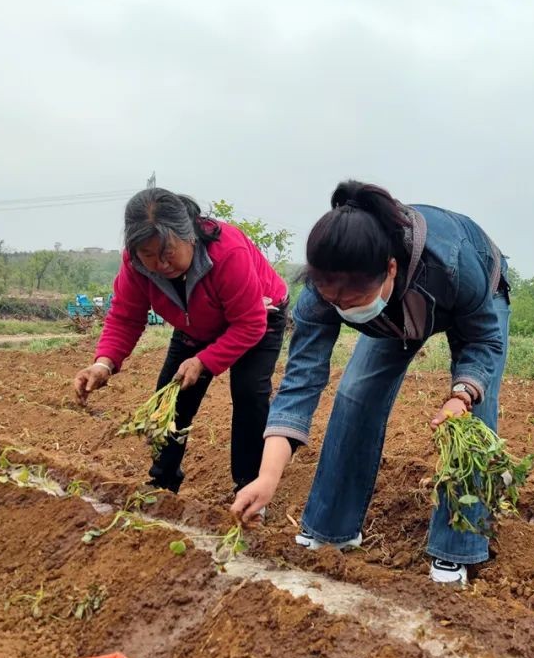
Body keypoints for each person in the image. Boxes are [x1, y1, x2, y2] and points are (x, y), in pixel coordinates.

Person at [230, 180, 511, 585]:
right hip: (397, 315)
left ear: (390, 270)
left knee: (473, 418)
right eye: (335, 302)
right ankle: (331, 530)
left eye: (354, 300)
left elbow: (484, 339)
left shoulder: (453, 264)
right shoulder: (322, 295)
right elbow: (300, 382)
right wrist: (268, 477)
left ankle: (458, 547)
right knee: (355, 394)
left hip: (477, 293)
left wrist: (461, 395)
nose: (344, 308)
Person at [73, 188, 289, 499]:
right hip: (196, 325)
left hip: (258, 316)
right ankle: (163, 484)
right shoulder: (136, 265)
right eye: (148, 255)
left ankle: (250, 490)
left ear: (189, 236)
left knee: (248, 395)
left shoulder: (227, 252)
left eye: (167, 252)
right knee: (169, 399)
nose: (160, 264)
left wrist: (204, 361)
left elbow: (250, 323)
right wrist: (103, 362)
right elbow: (125, 316)